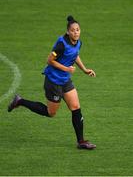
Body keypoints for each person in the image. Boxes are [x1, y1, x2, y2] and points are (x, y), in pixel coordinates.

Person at [8, 15, 96, 150]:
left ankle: (81, 142)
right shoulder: (61, 44)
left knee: (76, 107)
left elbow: (75, 54)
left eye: (78, 30)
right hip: (53, 81)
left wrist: (84, 69)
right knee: (51, 113)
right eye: (73, 30)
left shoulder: (78, 42)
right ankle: (20, 101)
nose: (76, 32)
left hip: (65, 80)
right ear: (68, 31)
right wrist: (66, 68)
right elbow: (49, 60)